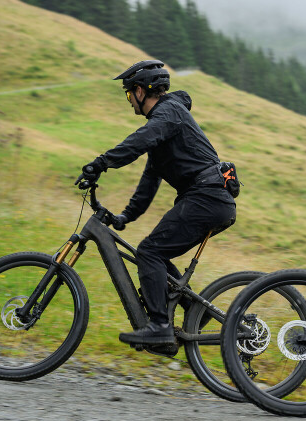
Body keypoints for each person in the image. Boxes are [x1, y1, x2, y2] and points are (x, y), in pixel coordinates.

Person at [78, 60, 236, 347]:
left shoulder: (168, 113)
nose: (129, 102)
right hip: (209, 199)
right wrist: (125, 217)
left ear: (140, 91)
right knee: (156, 255)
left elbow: (140, 140)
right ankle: (194, 316)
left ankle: (160, 327)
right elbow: (148, 184)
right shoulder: (165, 129)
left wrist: (101, 163)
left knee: (149, 251)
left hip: (207, 197)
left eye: (128, 95)